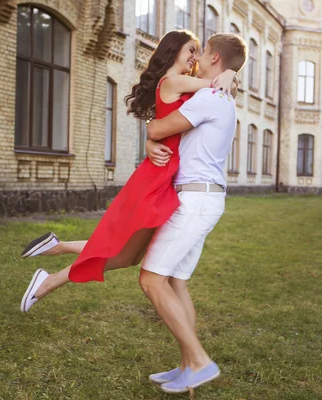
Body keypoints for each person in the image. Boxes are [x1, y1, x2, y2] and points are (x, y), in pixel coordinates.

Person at [20, 30, 238, 313]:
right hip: (158, 176)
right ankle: (50, 274)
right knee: (121, 245)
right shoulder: (176, 81)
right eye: (190, 50)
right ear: (173, 51)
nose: (195, 57)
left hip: (168, 176)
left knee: (129, 254)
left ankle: (55, 256)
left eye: (198, 51)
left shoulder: (187, 85)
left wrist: (231, 73)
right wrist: (230, 74)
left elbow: (183, 111)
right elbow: (213, 87)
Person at [139, 32, 247, 394]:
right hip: (206, 198)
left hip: (196, 200)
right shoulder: (221, 95)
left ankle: (199, 361)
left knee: (152, 280)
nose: (196, 60)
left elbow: (157, 127)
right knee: (176, 281)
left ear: (214, 58)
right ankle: (187, 366)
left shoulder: (209, 97)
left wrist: (150, 136)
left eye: (202, 55)